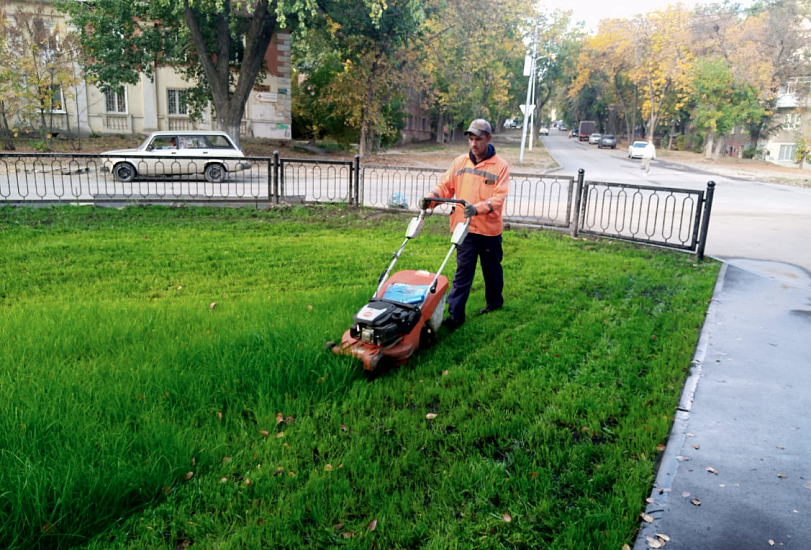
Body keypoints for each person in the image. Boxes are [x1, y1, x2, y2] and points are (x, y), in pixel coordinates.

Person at [419, 119, 510, 331]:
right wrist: (430, 199)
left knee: (492, 270)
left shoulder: (500, 166)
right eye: (471, 139)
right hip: (465, 229)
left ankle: (494, 302)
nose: (473, 144)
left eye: (478, 139)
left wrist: (477, 208)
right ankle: (456, 315)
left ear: (488, 138)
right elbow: (445, 186)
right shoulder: (460, 163)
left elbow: (499, 197)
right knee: (463, 273)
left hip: (488, 230)